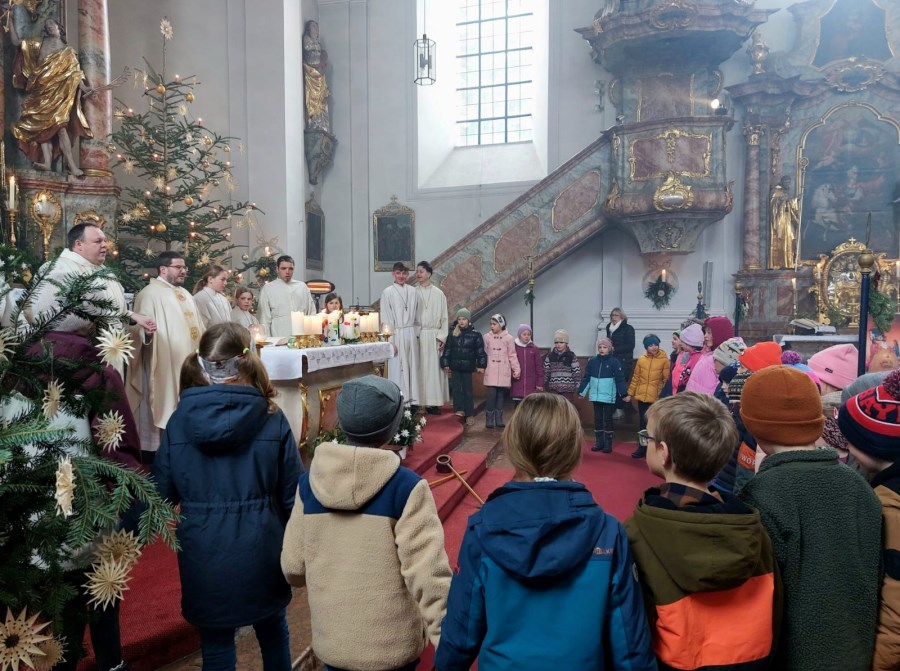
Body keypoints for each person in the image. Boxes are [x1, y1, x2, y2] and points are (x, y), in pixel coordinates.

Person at [435, 393, 657, 671]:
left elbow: (462, 630)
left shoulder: (483, 528)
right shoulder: (608, 532)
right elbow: (629, 642)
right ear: (574, 447)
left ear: (515, 445)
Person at [30, 223, 149, 671]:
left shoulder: (24, 359)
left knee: (56, 590)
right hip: (88, 497)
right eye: (98, 240)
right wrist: (132, 484)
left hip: (39, 496)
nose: (106, 245)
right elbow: (116, 438)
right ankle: (111, 662)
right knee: (98, 586)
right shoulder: (94, 368)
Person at [153, 323, 301, 671]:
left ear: (203, 365)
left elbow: (161, 492)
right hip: (262, 543)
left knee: (217, 643)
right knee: (272, 629)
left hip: (203, 547)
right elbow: (292, 494)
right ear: (245, 361)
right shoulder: (271, 417)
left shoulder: (178, 421)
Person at [281, 375, 451, 671]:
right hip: (391, 646)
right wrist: (449, 646)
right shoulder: (406, 488)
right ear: (393, 428)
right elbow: (428, 576)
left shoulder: (309, 486)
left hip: (334, 643)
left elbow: (293, 568)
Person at [739, 366, 881, 670]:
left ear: (756, 429)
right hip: (858, 651)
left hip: (790, 656)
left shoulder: (761, 494)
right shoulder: (860, 487)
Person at [626, 392, 780, 671]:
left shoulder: (639, 531)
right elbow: (775, 603)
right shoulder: (752, 528)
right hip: (751, 660)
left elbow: (635, 620)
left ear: (664, 452)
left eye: (646, 438)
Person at [838, 369, 900, 671]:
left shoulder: (890, 505)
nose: (845, 447)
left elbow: (895, 608)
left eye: (851, 441)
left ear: (875, 446)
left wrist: (877, 665)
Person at [126, 251, 205, 462]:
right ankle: (158, 454)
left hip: (188, 364)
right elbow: (137, 330)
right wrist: (147, 334)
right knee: (163, 403)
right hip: (163, 363)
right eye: (178, 267)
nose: (184, 271)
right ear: (163, 269)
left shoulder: (185, 294)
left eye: (184, 267)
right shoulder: (149, 294)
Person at [9, 17, 94, 176]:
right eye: (46, 26)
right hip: (40, 90)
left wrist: (84, 87)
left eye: (51, 24)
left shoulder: (68, 51)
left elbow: (75, 73)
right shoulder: (38, 43)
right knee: (42, 129)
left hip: (58, 94)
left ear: (59, 28)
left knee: (61, 128)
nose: (49, 27)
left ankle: (72, 165)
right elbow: (15, 42)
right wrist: (10, 20)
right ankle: (47, 162)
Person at [579, 336, 630, 453]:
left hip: (608, 397)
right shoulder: (592, 362)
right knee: (597, 419)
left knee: (607, 419)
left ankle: (608, 443)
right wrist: (582, 392)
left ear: (610, 349)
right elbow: (587, 378)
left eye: (604, 347)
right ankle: (599, 442)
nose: (602, 349)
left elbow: (620, 380)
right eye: (600, 347)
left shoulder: (614, 363)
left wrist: (624, 394)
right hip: (596, 397)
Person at [380, 261, 420, 407]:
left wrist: (415, 334)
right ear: (393, 274)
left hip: (410, 333)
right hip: (396, 334)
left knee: (412, 368)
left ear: (407, 274)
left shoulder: (413, 291)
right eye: (398, 273)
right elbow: (386, 317)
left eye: (404, 273)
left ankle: (413, 404)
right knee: (398, 369)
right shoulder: (388, 292)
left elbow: (418, 316)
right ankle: (398, 403)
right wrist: (390, 341)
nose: (401, 276)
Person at [440, 308, 486, 426]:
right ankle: (459, 409)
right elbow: (447, 350)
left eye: (464, 319)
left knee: (468, 391)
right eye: (459, 319)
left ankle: (469, 414)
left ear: (468, 320)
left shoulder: (475, 335)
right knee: (456, 389)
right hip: (455, 367)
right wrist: (445, 363)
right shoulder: (453, 334)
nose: (461, 321)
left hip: (467, 367)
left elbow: (480, 351)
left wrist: (481, 364)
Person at [627, 334, 670, 458]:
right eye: (651, 345)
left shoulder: (664, 360)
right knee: (642, 424)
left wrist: (661, 395)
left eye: (656, 344)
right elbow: (636, 378)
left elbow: (665, 380)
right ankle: (642, 448)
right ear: (646, 346)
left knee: (654, 425)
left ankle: (654, 449)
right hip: (642, 397)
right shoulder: (641, 359)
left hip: (656, 399)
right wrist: (630, 393)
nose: (654, 347)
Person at [415, 261, 449, 415]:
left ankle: (433, 403)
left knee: (434, 370)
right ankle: (418, 401)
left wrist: (442, 337)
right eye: (417, 272)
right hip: (419, 335)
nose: (418, 274)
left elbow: (444, 318)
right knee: (419, 368)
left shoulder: (439, 293)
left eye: (421, 271)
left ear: (429, 273)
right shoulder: (413, 292)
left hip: (434, 336)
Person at [257, 255, 315, 337]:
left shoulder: (302, 287)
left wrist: (311, 335)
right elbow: (264, 317)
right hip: (278, 333)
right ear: (277, 269)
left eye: (290, 269)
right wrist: (268, 340)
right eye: (283, 268)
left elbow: (311, 311)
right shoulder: (268, 288)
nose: (287, 271)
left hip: (301, 334)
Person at [483, 313, 520, 429]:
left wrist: (516, 369)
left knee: (500, 395)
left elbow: (512, 355)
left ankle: (499, 418)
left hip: (503, 369)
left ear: (501, 324)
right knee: (491, 394)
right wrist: (481, 365)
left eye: (494, 324)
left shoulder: (509, 338)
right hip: (491, 369)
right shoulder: (487, 337)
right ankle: (489, 418)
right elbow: (483, 353)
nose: (492, 326)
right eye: (491, 324)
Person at [685, 316, 734, 395]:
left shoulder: (723, 358)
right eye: (705, 332)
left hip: (706, 405)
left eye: (709, 332)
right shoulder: (708, 353)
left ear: (720, 334)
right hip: (694, 403)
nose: (705, 336)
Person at [603, 307, 635, 417]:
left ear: (622, 316)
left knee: (620, 384)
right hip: (612, 360)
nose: (613, 317)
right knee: (612, 385)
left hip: (624, 361)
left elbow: (631, 345)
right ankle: (623, 408)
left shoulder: (628, 328)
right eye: (612, 315)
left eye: (616, 315)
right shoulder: (609, 327)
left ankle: (622, 408)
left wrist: (615, 349)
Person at [302, 20, 330, 133]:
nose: (316, 29)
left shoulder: (318, 43)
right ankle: (314, 122)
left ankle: (321, 123)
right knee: (313, 98)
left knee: (321, 98)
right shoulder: (307, 39)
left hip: (319, 72)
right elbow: (308, 47)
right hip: (311, 71)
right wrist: (315, 45)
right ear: (309, 29)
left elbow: (320, 53)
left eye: (316, 27)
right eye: (313, 26)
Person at [768, 175, 800, 269]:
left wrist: (795, 200)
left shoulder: (787, 192)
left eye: (789, 182)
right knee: (783, 239)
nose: (788, 184)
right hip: (780, 221)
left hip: (788, 219)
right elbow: (773, 204)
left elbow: (789, 204)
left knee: (792, 238)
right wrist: (781, 200)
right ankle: (781, 263)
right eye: (786, 182)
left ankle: (790, 262)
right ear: (782, 182)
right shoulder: (777, 191)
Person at [510, 323, 542, 407]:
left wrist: (539, 383)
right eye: (524, 334)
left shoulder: (534, 349)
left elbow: (539, 367)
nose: (527, 336)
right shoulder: (513, 347)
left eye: (529, 334)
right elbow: (509, 363)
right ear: (519, 335)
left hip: (531, 386)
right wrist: (512, 374)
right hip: (517, 384)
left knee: (530, 408)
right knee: (518, 408)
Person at [543, 329, 580, 398]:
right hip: (554, 389)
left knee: (566, 408)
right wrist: (541, 384)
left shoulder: (571, 356)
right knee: (555, 408)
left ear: (566, 343)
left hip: (568, 390)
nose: (558, 344)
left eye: (561, 342)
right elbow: (546, 372)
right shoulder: (550, 356)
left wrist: (578, 386)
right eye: (556, 342)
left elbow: (576, 372)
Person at [193, 264, 231, 329]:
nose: (225, 283)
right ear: (210, 279)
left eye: (226, 280)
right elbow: (200, 327)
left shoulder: (224, 299)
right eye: (222, 279)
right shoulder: (199, 298)